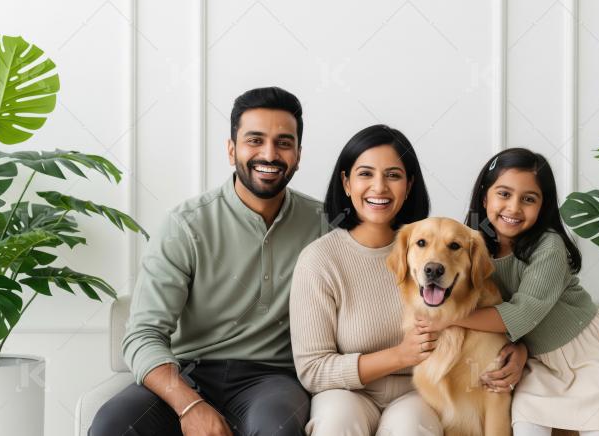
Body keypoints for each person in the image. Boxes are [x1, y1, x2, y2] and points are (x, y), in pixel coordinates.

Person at [89, 87, 324, 436]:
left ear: (299, 155)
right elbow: (142, 334)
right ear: (231, 150)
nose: (269, 154)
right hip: (188, 371)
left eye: (284, 143)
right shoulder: (185, 224)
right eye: (254, 140)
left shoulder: (324, 224)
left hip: (272, 378)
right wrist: (189, 404)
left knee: (277, 427)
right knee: (114, 425)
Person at [418, 148, 599, 436]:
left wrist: (448, 317)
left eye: (528, 199)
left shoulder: (549, 247)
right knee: (527, 423)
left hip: (583, 352)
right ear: (485, 197)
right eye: (503, 194)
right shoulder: (469, 246)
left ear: (542, 207)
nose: (514, 208)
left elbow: (522, 314)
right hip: (536, 360)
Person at [289, 124, 446, 435]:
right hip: (345, 394)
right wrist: (399, 355)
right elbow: (313, 370)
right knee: (336, 422)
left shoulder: (434, 253)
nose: (379, 187)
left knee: (409, 427)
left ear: (409, 184)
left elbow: (476, 317)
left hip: (418, 391)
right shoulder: (320, 259)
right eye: (365, 174)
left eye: (393, 175)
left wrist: (516, 351)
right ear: (346, 183)